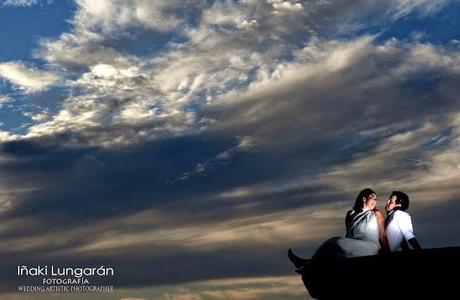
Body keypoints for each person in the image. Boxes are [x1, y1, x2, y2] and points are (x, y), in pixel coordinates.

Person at [288, 188, 389, 269]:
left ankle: (306, 263)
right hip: (354, 244)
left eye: (376, 198)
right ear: (364, 198)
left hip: (369, 246)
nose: (376, 200)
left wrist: (388, 253)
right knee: (331, 254)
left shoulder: (376, 214)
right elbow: (348, 234)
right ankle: (308, 266)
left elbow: (383, 235)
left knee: (334, 241)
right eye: (373, 197)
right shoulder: (351, 214)